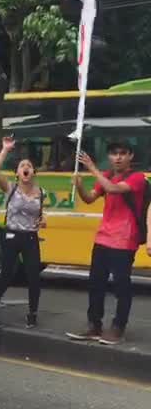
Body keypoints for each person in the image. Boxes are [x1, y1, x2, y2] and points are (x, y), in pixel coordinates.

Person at [67, 141, 145, 345]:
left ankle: (118, 328)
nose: (118, 157)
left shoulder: (137, 178)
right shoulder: (106, 176)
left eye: (122, 153)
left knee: (121, 286)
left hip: (125, 239)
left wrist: (92, 168)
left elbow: (113, 189)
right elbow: (90, 199)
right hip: (103, 237)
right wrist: (81, 186)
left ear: (131, 156)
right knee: (95, 284)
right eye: (113, 153)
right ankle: (94, 326)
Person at [0, 137, 46, 329]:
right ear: (18, 173)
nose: (26, 168)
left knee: (34, 276)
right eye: (22, 166)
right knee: (7, 274)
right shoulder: (11, 188)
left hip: (30, 237)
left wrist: (43, 220)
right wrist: (5, 149)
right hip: (11, 235)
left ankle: (32, 313)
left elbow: (41, 215)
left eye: (29, 166)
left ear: (33, 172)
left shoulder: (41, 192)